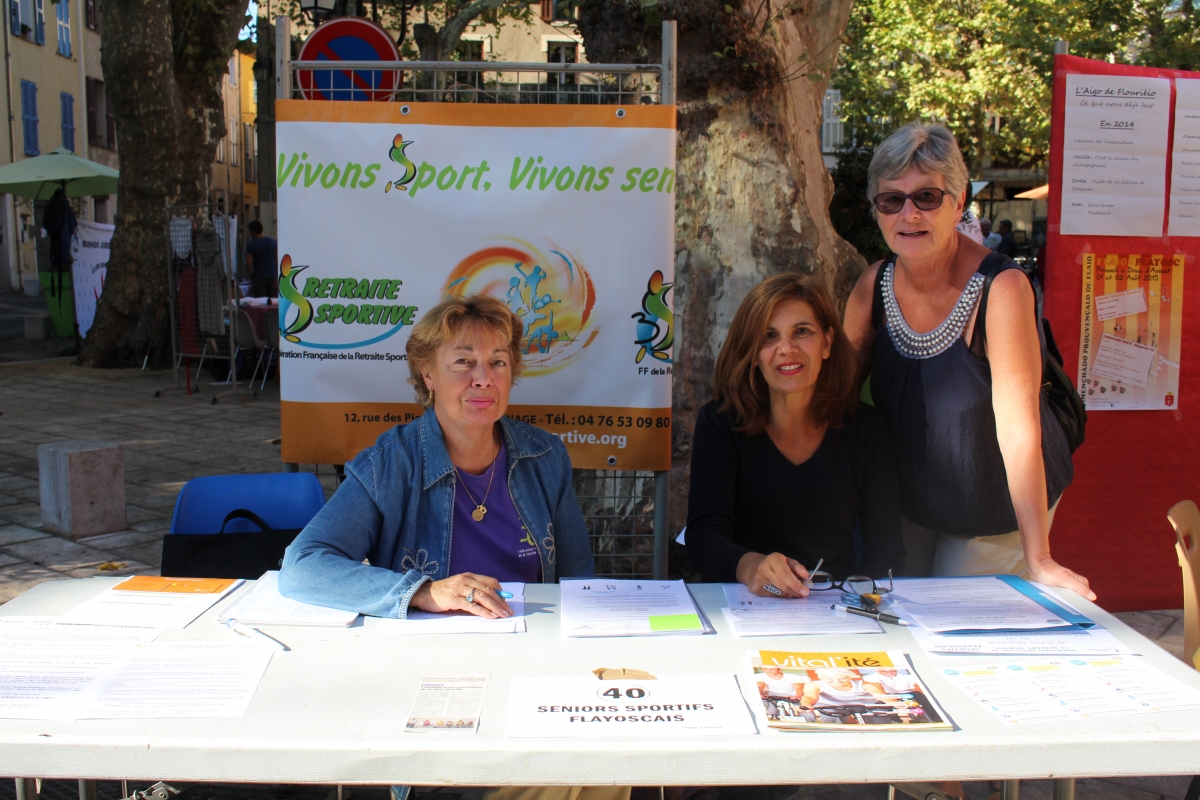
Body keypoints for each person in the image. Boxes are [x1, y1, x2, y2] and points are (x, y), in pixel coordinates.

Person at [842, 122, 1093, 600]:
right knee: (897, 610)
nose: (909, 214)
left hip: (993, 506)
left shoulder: (1002, 288)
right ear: (876, 209)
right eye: (891, 200)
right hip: (910, 502)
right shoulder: (872, 286)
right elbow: (836, 401)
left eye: (927, 197)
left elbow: (1019, 426)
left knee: (958, 618)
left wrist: (1039, 559)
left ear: (959, 203)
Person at [279, 294, 596, 619]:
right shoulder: (388, 466)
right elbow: (302, 566)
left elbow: (579, 581)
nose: (484, 378)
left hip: (530, 635)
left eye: (498, 362)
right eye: (463, 361)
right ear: (428, 374)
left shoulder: (545, 456)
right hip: (426, 644)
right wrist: (422, 591)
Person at [685, 274, 904, 597]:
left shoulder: (867, 429)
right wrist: (751, 567)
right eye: (769, 336)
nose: (786, 349)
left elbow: (886, 553)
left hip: (836, 603)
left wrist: (864, 606)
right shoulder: (720, 424)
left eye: (802, 331)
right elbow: (703, 538)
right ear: (752, 351)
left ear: (827, 343)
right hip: (741, 601)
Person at [244, 220, 278, 298]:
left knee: (260, 301)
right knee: (273, 301)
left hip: (259, 277)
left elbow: (248, 263)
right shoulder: (273, 242)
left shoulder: (251, 244)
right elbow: (277, 258)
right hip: (272, 276)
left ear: (253, 232)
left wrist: (251, 275)